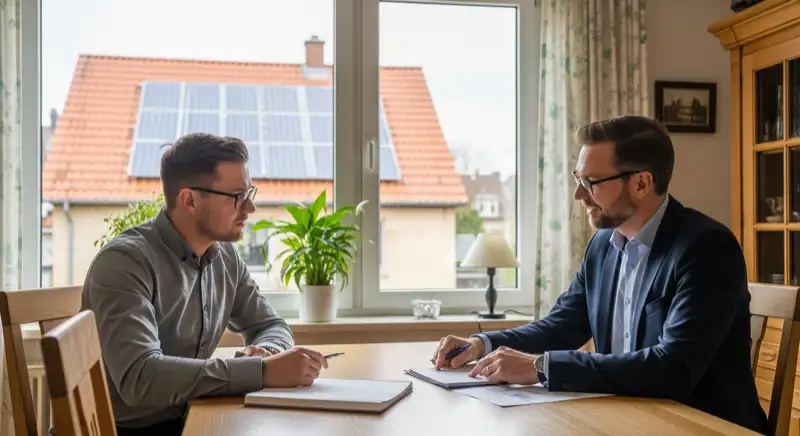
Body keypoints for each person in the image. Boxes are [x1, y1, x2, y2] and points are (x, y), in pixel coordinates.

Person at [433, 115, 768, 434]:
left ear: (641, 183)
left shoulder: (706, 248)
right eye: (578, 180)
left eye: (591, 183)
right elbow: (563, 325)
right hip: (628, 418)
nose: (579, 195)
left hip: (701, 426)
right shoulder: (602, 245)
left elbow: (673, 368)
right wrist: (482, 344)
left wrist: (541, 367)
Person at [81, 133, 327, 436]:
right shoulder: (124, 263)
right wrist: (260, 372)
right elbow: (140, 379)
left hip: (191, 417)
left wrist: (267, 352)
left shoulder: (225, 256)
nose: (250, 208)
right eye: (237, 196)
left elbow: (270, 324)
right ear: (189, 200)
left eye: (249, 193)